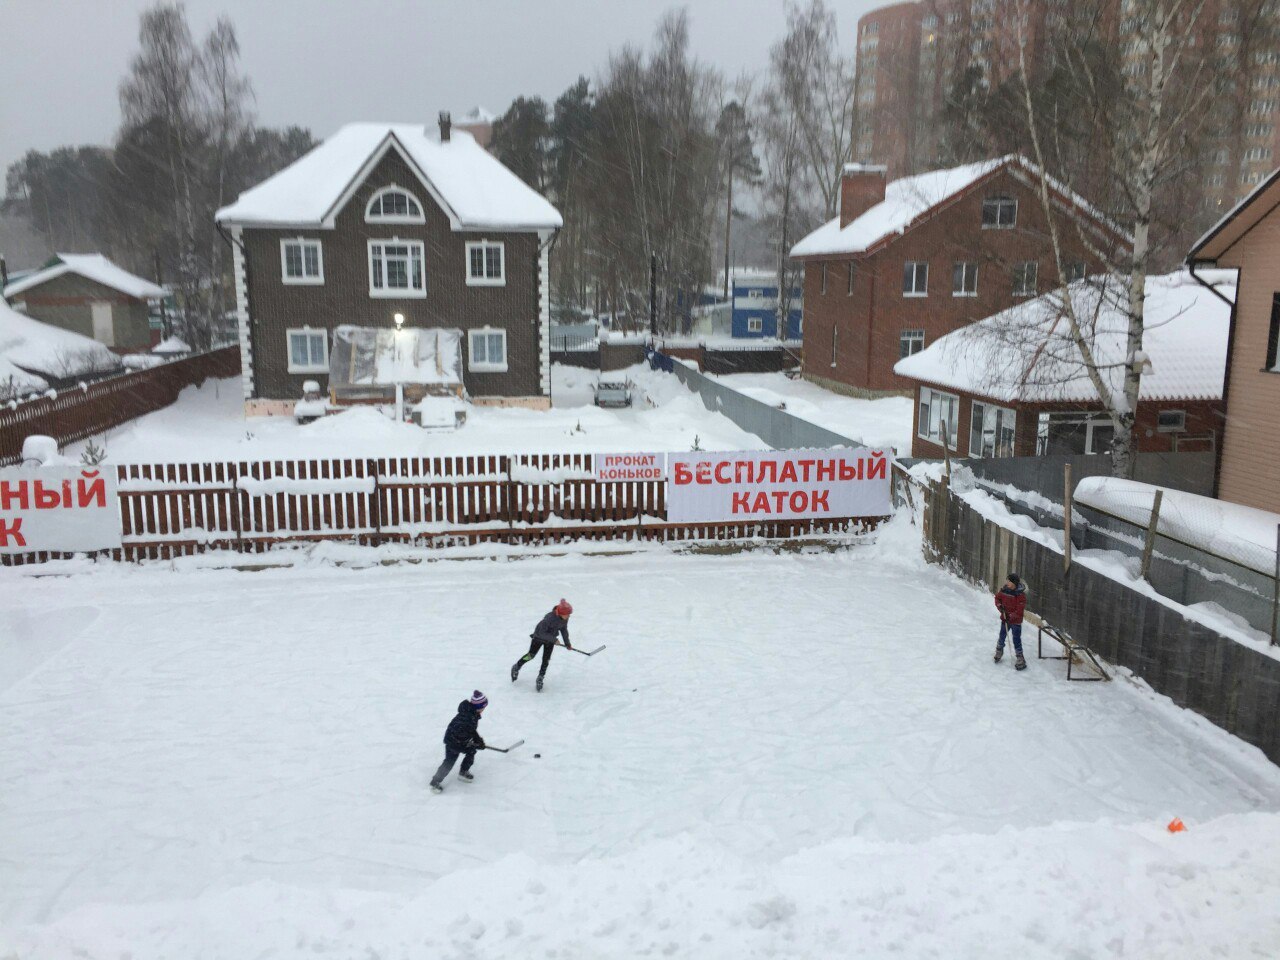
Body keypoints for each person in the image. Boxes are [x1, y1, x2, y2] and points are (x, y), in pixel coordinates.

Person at [430, 691, 487, 793]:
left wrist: (478, 740)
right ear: (478, 706)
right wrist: (470, 742)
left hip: (461, 740)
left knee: (471, 751)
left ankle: (463, 771)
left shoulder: (472, 714)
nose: (484, 709)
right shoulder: (467, 717)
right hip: (453, 741)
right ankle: (435, 782)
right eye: (483, 707)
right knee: (449, 762)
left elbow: (471, 730)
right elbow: (460, 732)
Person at [511, 599, 573, 691]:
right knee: (530, 656)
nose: (568, 616)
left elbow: (564, 630)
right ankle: (517, 666)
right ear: (561, 613)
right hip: (538, 638)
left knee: (546, 659)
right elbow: (541, 632)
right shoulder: (549, 618)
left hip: (550, 641)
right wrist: (554, 639)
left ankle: (541, 677)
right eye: (567, 614)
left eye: (569, 614)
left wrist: (567, 643)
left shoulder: (564, 619)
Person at [994, 573, 1028, 670]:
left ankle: (1020, 657)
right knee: (1002, 635)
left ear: (1014, 583)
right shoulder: (1004, 590)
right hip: (1005, 619)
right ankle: (999, 651)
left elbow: (1019, 610)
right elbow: (997, 598)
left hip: (1015, 621)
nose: (1007, 582)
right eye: (1007, 580)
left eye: (1009, 581)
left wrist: (1011, 616)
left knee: (1016, 639)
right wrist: (1000, 606)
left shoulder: (1020, 595)